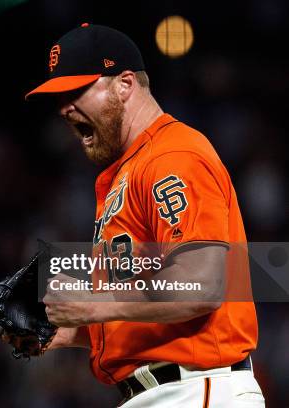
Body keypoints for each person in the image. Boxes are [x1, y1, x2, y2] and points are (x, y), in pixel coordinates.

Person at [24, 23, 265, 407]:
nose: (65, 107)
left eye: (77, 90)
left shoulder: (173, 155)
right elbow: (154, 305)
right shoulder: (129, 170)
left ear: (124, 84)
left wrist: (92, 304)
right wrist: (73, 328)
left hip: (195, 389)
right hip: (164, 391)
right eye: (59, 97)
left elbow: (200, 285)